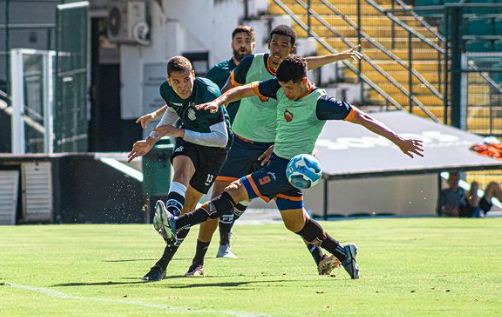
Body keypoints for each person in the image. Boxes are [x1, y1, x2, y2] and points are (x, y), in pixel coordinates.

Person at [155, 55, 424, 280]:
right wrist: (220, 101)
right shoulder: (279, 86)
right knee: (295, 223)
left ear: (304, 81)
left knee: (235, 191)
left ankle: (177, 223)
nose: (285, 92)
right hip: (283, 167)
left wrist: (398, 139)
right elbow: (244, 89)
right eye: (282, 86)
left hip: (287, 169)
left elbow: (362, 117)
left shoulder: (322, 103)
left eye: (290, 88)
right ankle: (343, 253)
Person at [187, 25, 363, 276]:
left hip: (274, 149)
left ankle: (321, 257)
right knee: (218, 199)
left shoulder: (294, 71)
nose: (277, 49)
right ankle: (198, 262)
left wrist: (340, 56)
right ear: (268, 44)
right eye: (274, 43)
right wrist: (216, 112)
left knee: (293, 211)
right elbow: (229, 91)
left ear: (291, 50)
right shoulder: (250, 64)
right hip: (240, 143)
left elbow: (310, 64)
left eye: (284, 45)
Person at [127, 56, 232, 282]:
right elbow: (173, 112)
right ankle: (167, 234)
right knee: (181, 173)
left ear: (193, 74)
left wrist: (180, 133)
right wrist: (151, 140)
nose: (182, 86)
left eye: (186, 80)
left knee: (191, 208)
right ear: (169, 81)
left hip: (214, 149)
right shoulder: (168, 90)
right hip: (190, 140)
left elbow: (221, 139)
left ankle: (195, 260)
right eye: (177, 82)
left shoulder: (208, 93)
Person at [437, 172, 501, 217]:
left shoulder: (461, 190)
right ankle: (476, 211)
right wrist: (451, 212)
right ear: (448, 181)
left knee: (492, 185)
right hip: (464, 212)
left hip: (474, 208)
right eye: (452, 180)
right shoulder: (445, 193)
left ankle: (477, 211)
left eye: (456, 180)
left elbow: (468, 200)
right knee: (474, 185)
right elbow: (440, 209)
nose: (454, 182)